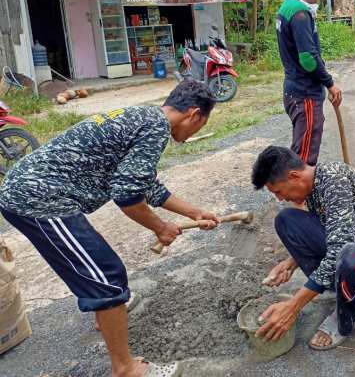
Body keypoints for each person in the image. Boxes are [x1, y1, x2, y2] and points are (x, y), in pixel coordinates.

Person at [0, 81, 220, 377]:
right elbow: (127, 197)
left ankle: (106, 315)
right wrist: (161, 227)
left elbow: (144, 184)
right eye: (201, 124)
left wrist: (194, 211)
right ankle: (125, 368)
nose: (195, 131)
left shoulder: (144, 118)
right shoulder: (155, 129)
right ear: (195, 115)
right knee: (107, 276)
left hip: (37, 193)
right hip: (39, 199)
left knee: (100, 271)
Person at [251, 146, 355, 350]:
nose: (280, 198)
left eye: (278, 192)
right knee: (286, 220)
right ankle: (343, 288)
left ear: (294, 176)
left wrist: (293, 307)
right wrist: (290, 263)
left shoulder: (334, 179)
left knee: (348, 254)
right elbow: (334, 231)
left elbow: (340, 248)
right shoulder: (312, 188)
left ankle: (347, 316)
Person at [276, 0, 342, 166]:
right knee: (304, 157)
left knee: (300, 145)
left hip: (293, 89)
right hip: (304, 94)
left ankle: (293, 191)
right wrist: (330, 83)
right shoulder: (300, 14)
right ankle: (298, 197)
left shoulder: (286, 7)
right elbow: (308, 59)